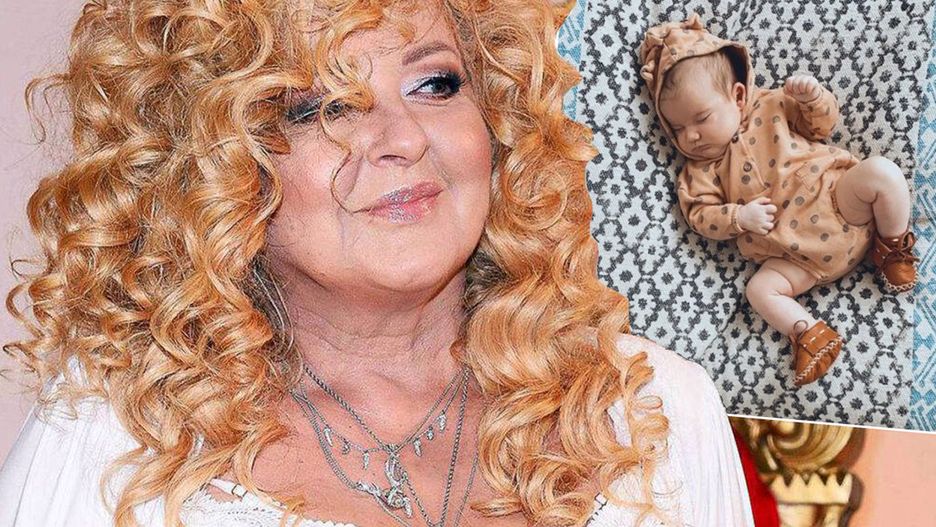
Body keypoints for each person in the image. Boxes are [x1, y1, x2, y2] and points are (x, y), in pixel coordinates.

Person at [0, 1, 754, 526]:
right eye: (319, 105)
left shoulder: (656, 413)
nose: (401, 137)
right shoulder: (119, 436)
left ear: (498, 120)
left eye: (435, 84)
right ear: (214, 167)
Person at [639, 14, 918, 386]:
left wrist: (814, 99)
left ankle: (893, 248)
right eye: (676, 128)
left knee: (882, 173)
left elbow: (821, 127)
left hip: (839, 203)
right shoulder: (699, 171)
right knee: (759, 290)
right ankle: (809, 333)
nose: (690, 136)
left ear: (738, 96)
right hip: (794, 258)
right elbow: (700, 215)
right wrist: (739, 217)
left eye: (701, 118)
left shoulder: (772, 106)